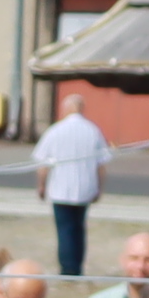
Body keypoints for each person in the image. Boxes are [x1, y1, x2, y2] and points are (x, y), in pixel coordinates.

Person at [31, 82, 108, 278]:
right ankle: (77, 266)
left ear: (66, 109)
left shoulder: (55, 130)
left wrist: (41, 185)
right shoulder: (93, 131)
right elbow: (101, 164)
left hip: (60, 189)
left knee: (64, 230)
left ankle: (67, 268)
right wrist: (99, 187)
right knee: (79, 229)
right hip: (84, 188)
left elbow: (43, 163)